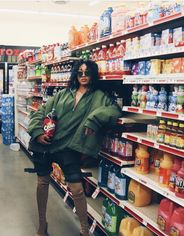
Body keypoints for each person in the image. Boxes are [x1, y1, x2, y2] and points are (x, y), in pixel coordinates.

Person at [28, 60, 122, 236]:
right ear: (75, 75)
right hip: (45, 144)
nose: (84, 76)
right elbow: (41, 112)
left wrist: (95, 118)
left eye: (87, 73)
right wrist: (38, 131)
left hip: (68, 147)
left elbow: (114, 110)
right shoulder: (63, 94)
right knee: (42, 184)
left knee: (77, 189)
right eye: (80, 73)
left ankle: (84, 230)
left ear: (93, 75)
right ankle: (42, 224)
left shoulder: (99, 96)